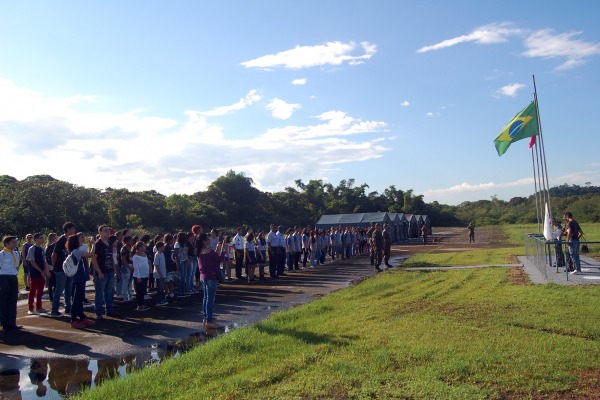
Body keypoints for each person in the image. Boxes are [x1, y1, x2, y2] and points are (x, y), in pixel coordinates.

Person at [66, 234, 97, 328]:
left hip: (80, 277)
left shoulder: (77, 250)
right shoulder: (76, 251)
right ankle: (74, 319)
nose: (81, 240)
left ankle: (82, 317)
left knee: (79, 299)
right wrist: (93, 243)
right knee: (76, 299)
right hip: (78, 278)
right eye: (79, 239)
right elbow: (91, 254)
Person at [50, 222, 77, 317]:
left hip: (69, 268)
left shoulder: (71, 240)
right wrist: (55, 268)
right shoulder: (61, 240)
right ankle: (54, 310)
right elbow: (54, 255)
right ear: (68, 229)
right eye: (73, 229)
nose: (74, 230)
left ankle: (68, 307)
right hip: (60, 269)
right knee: (59, 289)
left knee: (68, 289)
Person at [197, 233, 223, 328]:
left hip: (203, 276)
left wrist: (217, 249)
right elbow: (219, 259)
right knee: (210, 300)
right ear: (204, 241)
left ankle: (205, 318)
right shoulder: (208, 251)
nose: (209, 240)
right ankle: (209, 320)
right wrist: (223, 250)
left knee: (206, 298)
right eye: (207, 239)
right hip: (211, 277)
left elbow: (212, 258)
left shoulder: (199, 251)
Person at [93, 224, 118, 319]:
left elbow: (111, 257)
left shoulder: (110, 243)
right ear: (100, 232)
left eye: (108, 230)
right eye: (105, 230)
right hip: (102, 272)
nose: (107, 232)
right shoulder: (97, 244)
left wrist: (114, 269)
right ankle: (98, 312)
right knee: (99, 293)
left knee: (109, 292)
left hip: (110, 271)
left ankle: (110, 310)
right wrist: (99, 272)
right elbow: (94, 259)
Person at [0, 236, 22, 332]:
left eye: (15, 242)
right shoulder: (2, 254)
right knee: (4, 301)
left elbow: (17, 265)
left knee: (13, 301)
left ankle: (12, 323)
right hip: (4, 277)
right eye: (13, 242)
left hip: (13, 277)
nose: (15, 244)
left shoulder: (16, 253)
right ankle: (4, 323)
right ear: (7, 244)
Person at [26, 233, 50, 314]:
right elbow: (32, 262)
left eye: (42, 238)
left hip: (42, 273)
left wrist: (45, 271)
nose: (42, 239)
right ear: (35, 239)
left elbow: (44, 261)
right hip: (34, 273)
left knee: (40, 290)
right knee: (32, 290)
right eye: (40, 238)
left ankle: (39, 307)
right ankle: (30, 308)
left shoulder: (42, 249)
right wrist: (40, 270)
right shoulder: (32, 249)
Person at [132, 241, 150, 311]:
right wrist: (138, 277)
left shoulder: (144, 254)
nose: (145, 247)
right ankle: (140, 305)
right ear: (140, 247)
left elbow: (146, 264)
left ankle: (142, 304)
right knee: (139, 291)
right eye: (144, 246)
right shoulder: (135, 256)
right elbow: (136, 267)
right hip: (138, 276)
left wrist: (147, 273)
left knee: (143, 291)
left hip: (145, 275)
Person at [174, 232, 190, 297]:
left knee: (184, 277)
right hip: (180, 261)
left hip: (184, 261)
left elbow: (185, 253)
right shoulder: (177, 244)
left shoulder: (183, 244)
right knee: (180, 277)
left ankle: (183, 290)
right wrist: (178, 263)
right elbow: (176, 255)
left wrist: (187, 260)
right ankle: (180, 291)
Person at [120, 236, 134, 303]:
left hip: (131, 265)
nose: (131, 241)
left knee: (130, 282)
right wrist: (129, 267)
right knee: (125, 283)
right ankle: (125, 297)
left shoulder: (131, 248)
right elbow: (123, 260)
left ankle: (130, 296)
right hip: (126, 267)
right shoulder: (124, 249)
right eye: (130, 240)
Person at [44, 233, 58, 301]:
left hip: (55, 267)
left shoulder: (55, 246)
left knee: (56, 284)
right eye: (56, 237)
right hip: (50, 267)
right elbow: (46, 259)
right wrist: (47, 270)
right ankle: (51, 298)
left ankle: (55, 298)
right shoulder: (48, 247)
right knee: (50, 284)